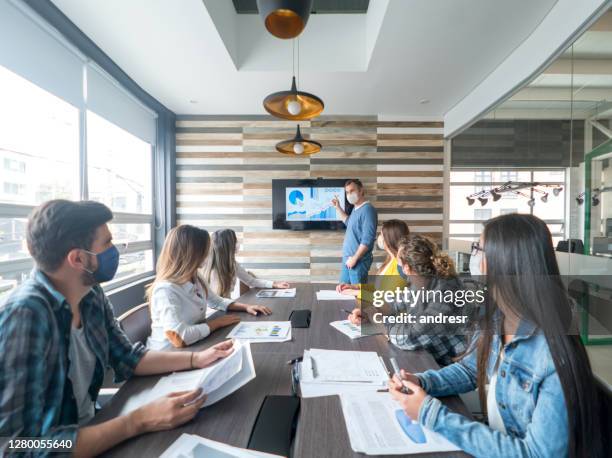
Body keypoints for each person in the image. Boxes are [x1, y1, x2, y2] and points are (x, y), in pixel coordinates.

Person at [0, 200, 238, 457]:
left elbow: (128, 357)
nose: (116, 251)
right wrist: (137, 421)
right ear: (78, 258)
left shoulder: (90, 293)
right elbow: (16, 447)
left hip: (94, 429)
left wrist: (196, 358)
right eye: (107, 243)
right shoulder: (25, 316)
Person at [388, 214, 607, 457]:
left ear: (502, 262)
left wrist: (431, 414)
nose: (474, 257)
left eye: (479, 249)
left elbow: (535, 454)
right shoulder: (499, 318)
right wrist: (424, 381)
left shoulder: (551, 353)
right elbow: (471, 370)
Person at [146, 225, 272, 350]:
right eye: (205, 250)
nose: (208, 253)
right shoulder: (165, 290)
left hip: (195, 345)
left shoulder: (196, 277)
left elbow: (217, 301)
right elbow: (179, 337)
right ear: (192, 254)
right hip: (169, 355)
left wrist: (246, 307)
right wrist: (216, 323)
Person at [365, 234, 470, 366]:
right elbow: (396, 302)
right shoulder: (422, 279)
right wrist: (371, 311)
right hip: (431, 357)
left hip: (450, 367)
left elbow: (406, 337)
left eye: (399, 264)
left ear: (407, 268)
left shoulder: (445, 292)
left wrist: (381, 323)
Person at [201, 228, 289, 299]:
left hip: (226, 306)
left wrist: (274, 284)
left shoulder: (233, 265)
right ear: (228, 246)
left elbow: (251, 281)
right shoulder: (211, 270)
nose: (237, 244)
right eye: (235, 241)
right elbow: (215, 302)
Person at [337, 219, 409, 303]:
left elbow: (384, 298)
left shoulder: (401, 267)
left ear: (389, 239)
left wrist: (355, 292)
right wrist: (356, 287)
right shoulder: (390, 260)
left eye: (381, 235)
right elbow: (379, 288)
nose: (379, 238)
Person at [331, 179, 378, 285]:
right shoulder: (356, 209)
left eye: (352, 191)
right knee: (343, 294)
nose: (349, 194)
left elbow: (368, 239)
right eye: (347, 192)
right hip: (348, 260)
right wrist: (338, 207)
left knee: (359, 297)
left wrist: (355, 258)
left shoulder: (368, 210)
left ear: (361, 191)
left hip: (357, 262)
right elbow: (349, 222)